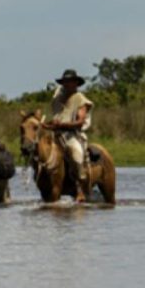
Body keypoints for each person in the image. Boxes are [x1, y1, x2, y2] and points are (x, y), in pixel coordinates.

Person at [44, 69, 94, 202]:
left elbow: (79, 122)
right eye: (65, 82)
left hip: (72, 135)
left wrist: (61, 125)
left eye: (69, 82)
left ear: (76, 83)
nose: (66, 84)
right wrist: (47, 125)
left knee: (75, 154)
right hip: (56, 134)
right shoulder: (58, 99)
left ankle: (80, 186)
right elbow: (57, 118)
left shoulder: (80, 99)